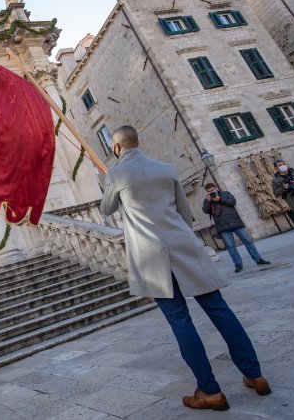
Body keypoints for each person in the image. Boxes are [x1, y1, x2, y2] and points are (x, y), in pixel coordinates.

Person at [101, 126, 270, 411]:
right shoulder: (165, 168)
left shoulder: (116, 173)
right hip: (183, 247)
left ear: (116, 147)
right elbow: (186, 212)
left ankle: (210, 390)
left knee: (180, 321)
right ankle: (255, 374)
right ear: (136, 142)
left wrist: (113, 182)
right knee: (219, 309)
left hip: (152, 257)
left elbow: (106, 209)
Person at [202, 182, 270, 273]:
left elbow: (232, 202)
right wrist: (208, 201)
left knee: (248, 241)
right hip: (222, 226)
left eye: (212, 190)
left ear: (216, 188)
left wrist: (219, 199)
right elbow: (206, 211)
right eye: (209, 191)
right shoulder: (207, 200)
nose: (211, 192)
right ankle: (238, 264)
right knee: (230, 246)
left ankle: (258, 259)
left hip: (235, 222)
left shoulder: (226, 194)